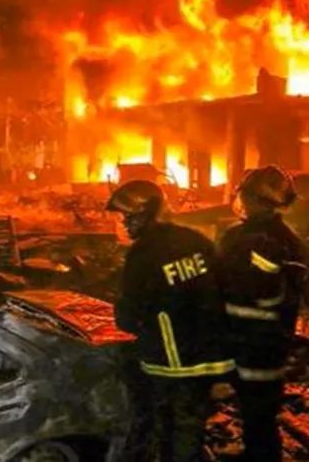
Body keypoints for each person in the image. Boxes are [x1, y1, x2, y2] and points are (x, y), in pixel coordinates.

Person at [109, 179, 235, 462]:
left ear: (144, 214)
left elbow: (129, 315)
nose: (124, 224)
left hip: (171, 363)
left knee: (171, 430)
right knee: (190, 426)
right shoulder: (194, 240)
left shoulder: (143, 254)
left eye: (127, 217)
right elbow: (223, 287)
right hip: (210, 357)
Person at [216, 165, 309, 462]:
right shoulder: (289, 239)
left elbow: (222, 285)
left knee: (255, 413)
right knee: (261, 413)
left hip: (246, 340)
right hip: (273, 341)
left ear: (255, 199)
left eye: (247, 195)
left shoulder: (242, 239)